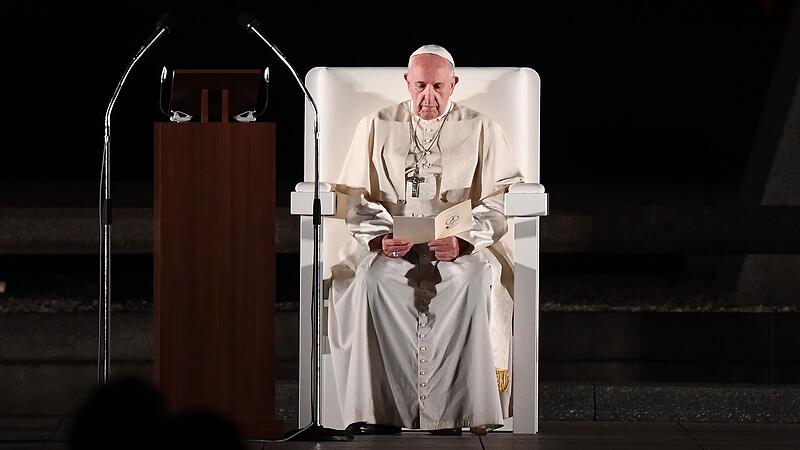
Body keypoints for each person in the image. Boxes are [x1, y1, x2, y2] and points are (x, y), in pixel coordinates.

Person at [328, 45, 524, 435]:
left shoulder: (482, 127)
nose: (428, 97)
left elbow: (501, 199)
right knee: (373, 281)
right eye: (420, 86)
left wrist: (464, 241)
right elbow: (357, 200)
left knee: (468, 280)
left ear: (454, 84)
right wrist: (380, 238)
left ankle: (453, 415)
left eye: (438, 86)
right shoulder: (376, 124)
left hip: (454, 247)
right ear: (407, 81)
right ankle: (379, 413)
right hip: (393, 247)